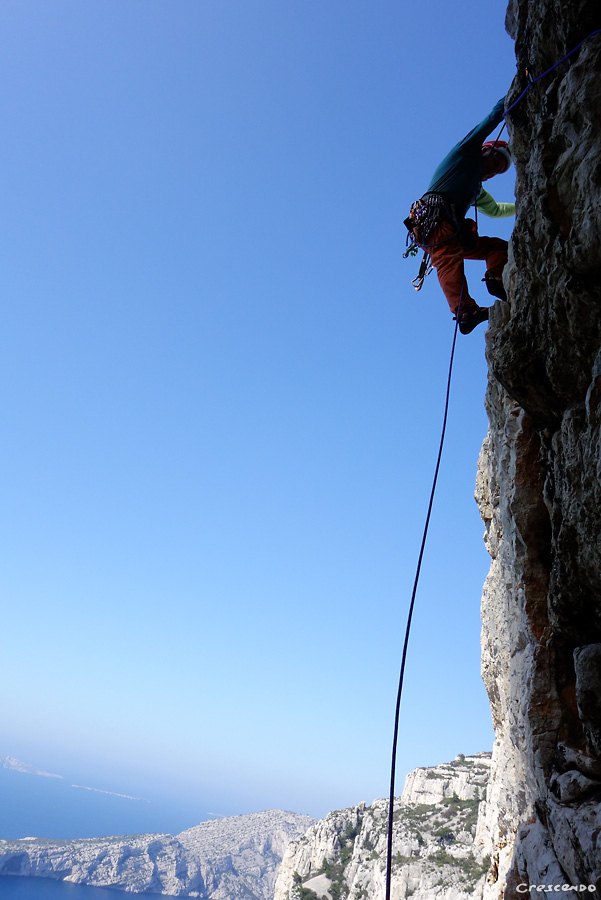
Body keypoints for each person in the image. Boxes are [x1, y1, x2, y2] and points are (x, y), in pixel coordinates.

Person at [405, 97, 515, 334]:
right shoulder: (464, 153)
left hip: (444, 228)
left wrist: (522, 204)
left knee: (497, 247)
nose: (493, 170)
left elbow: (496, 210)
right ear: (485, 150)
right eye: (495, 162)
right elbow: (490, 120)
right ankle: (464, 311)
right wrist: (511, 98)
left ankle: (496, 277)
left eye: (498, 171)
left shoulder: (475, 189)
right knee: (448, 257)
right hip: (434, 220)